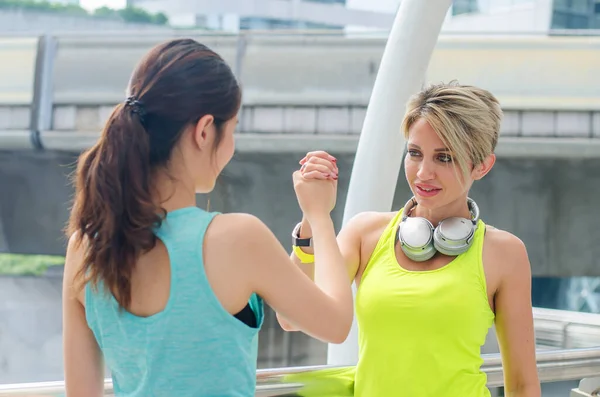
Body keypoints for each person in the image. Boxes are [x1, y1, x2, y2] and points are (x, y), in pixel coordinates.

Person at [61, 38, 353, 397]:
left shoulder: (84, 246)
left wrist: (306, 234)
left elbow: (80, 392)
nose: (231, 144)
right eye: (231, 130)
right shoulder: (237, 237)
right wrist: (320, 216)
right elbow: (336, 324)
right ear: (203, 131)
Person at [278, 82, 541, 397]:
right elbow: (292, 317)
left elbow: (523, 384)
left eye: (444, 158)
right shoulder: (366, 234)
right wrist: (311, 217)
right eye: (415, 153)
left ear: (481, 165)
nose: (423, 173)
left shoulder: (505, 253)